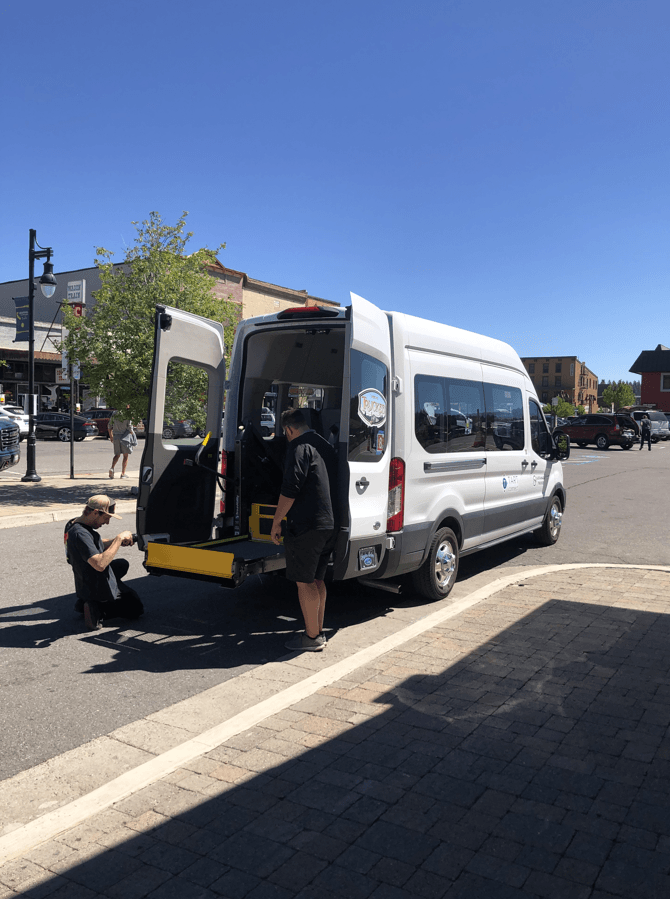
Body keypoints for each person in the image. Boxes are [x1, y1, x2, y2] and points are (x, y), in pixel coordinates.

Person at [271, 408, 338, 652]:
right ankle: (318, 631)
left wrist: (277, 521)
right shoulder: (325, 447)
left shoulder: (299, 447)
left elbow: (291, 487)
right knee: (317, 579)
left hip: (307, 526)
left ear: (289, 429)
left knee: (303, 581)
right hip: (327, 524)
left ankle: (311, 638)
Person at [64, 494, 144, 631]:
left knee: (122, 564)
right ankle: (98, 609)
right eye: (106, 518)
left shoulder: (74, 524)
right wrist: (118, 539)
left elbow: (94, 544)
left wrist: (114, 542)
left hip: (83, 576)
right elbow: (100, 565)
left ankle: (83, 601)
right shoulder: (80, 534)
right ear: (95, 513)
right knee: (136, 608)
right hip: (95, 579)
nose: (107, 523)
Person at [108, 412, 134, 479]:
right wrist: (132, 433)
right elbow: (130, 426)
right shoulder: (127, 414)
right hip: (125, 437)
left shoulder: (114, 413)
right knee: (125, 456)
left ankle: (112, 468)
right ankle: (123, 474)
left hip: (116, 436)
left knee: (117, 454)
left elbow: (109, 426)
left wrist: (111, 436)